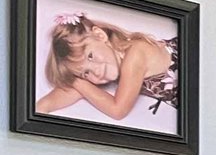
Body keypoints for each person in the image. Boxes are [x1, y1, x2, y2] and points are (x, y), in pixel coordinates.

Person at [36, 13, 179, 125]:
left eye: (90, 56)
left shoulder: (135, 54)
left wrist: (77, 81)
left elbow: (118, 110)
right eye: (85, 73)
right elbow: (72, 91)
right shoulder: (115, 65)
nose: (96, 72)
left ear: (100, 35)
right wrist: (40, 108)